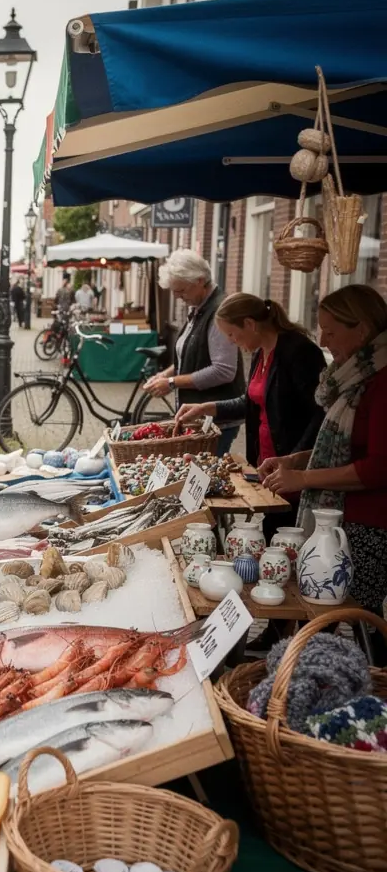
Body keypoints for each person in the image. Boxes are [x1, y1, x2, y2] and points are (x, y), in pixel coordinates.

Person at [261, 285, 387, 626]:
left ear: (360, 330)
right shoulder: (353, 379)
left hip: (370, 528)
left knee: (360, 621)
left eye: (331, 331)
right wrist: (295, 460)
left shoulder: (381, 383)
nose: (324, 341)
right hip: (344, 521)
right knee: (323, 618)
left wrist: (302, 478)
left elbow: (377, 468)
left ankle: (363, 677)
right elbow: (339, 448)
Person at [174, 293, 326, 542]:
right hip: (268, 465)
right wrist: (206, 408)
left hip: (293, 469)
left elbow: (319, 413)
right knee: (270, 533)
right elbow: (252, 402)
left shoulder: (298, 352)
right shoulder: (259, 352)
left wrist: (295, 459)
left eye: (233, 335)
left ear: (250, 324)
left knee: (287, 537)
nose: (232, 342)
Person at [143, 249, 244, 456]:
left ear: (199, 281)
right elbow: (190, 355)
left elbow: (223, 370)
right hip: (200, 420)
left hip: (216, 423)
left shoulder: (218, 313)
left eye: (181, 291)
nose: (178, 297)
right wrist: (167, 374)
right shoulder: (198, 309)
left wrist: (172, 383)